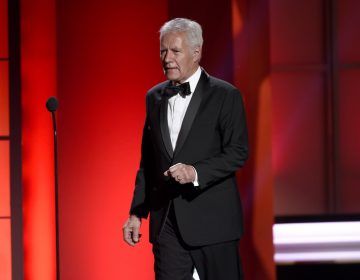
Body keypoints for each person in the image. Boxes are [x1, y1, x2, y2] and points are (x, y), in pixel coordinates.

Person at [123, 18, 248, 280]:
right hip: (167, 222)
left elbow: (238, 151)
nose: (167, 58)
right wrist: (137, 212)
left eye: (175, 51)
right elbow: (148, 161)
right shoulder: (153, 97)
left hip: (214, 223)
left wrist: (195, 172)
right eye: (163, 51)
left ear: (196, 52)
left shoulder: (226, 95)